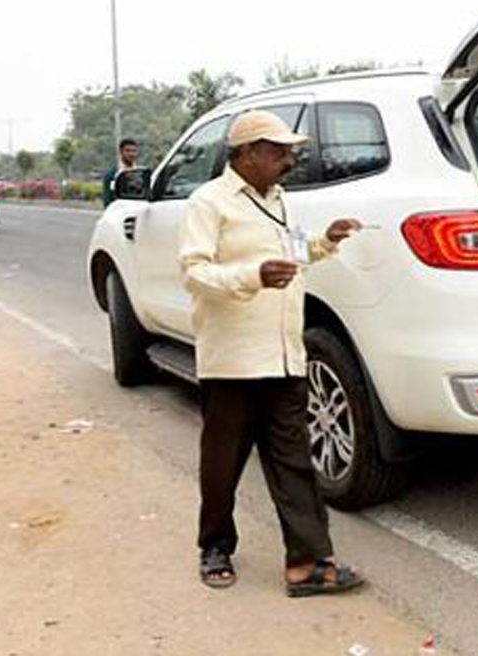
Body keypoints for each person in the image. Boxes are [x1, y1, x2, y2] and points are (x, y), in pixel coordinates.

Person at [178, 110, 364, 597]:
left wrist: (327, 241)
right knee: (223, 461)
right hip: (234, 358)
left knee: (293, 461)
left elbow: (294, 253)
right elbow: (194, 273)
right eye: (277, 150)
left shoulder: (279, 200)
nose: (288, 159)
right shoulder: (209, 203)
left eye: (288, 151)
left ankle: (305, 564)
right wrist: (251, 277)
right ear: (244, 154)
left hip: (283, 354)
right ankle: (215, 546)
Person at [101, 138, 140, 207]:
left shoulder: (141, 173)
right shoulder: (112, 174)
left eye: (134, 151)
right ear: (121, 152)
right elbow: (107, 198)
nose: (131, 154)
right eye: (127, 151)